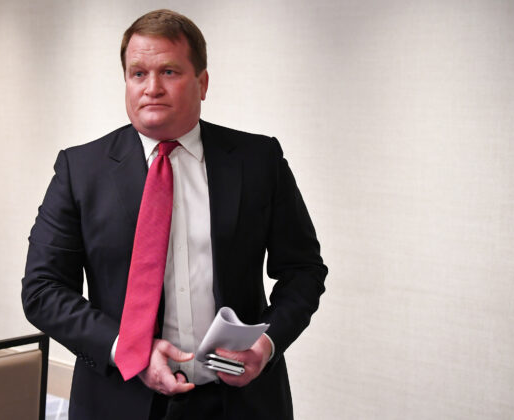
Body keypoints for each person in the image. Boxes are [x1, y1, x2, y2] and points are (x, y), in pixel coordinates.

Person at [21, 9, 327, 420]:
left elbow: (304, 270)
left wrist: (267, 345)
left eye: (168, 71)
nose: (152, 88)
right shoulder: (80, 170)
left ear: (202, 83)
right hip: (119, 399)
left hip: (241, 403)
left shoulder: (258, 161)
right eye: (138, 74)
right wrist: (127, 350)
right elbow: (43, 290)